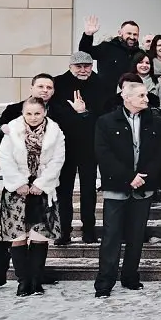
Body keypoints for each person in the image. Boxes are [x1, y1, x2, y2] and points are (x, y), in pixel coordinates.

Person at [0, 75, 66, 295]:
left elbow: (61, 150)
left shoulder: (56, 114)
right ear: (32, 88)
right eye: (40, 86)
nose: (44, 90)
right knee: (9, 237)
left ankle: (34, 277)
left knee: (39, 234)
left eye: (49, 87)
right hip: (17, 186)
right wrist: (5, 130)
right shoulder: (14, 111)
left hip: (42, 185)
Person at [93, 82, 161, 297]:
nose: (146, 99)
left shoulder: (155, 120)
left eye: (146, 95)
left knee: (136, 234)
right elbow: (103, 154)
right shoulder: (106, 121)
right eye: (141, 95)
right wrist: (128, 177)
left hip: (143, 186)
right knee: (112, 235)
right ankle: (105, 282)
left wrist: (144, 176)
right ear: (127, 98)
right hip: (116, 187)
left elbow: (160, 153)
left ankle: (130, 275)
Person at [52, 50, 106, 245]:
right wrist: (74, 114)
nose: (83, 70)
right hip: (64, 144)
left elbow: (103, 112)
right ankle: (64, 230)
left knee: (88, 189)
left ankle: (89, 230)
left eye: (87, 66)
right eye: (79, 66)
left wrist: (84, 113)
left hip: (89, 144)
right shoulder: (58, 83)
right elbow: (54, 111)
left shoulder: (100, 83)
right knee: (63, 190)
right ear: (70, 66)